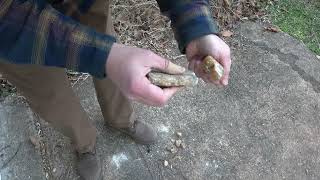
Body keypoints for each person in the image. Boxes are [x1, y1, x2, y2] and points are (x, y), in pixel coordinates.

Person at [0, 0, 231, 179]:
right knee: (50, 94)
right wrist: (102, 56)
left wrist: (196, 24)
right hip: (10, 26)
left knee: (113, 60)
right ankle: (84, 144)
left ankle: (122, 119)